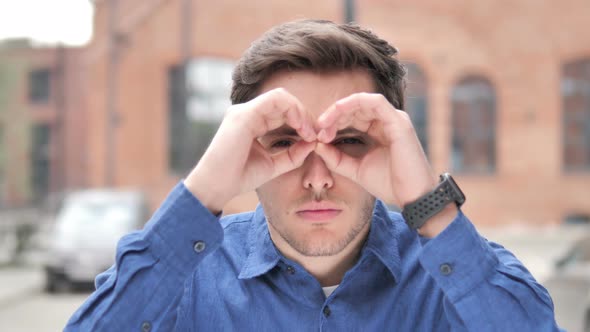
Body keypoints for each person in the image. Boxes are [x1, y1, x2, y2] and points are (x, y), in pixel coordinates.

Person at [65, 19, 561, 331]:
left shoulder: (455, 277)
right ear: (246, 148)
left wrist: (430, 205)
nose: (317, 178)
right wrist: (202, 194)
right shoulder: (187, 282)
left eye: (349, 141)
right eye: (286, 142)